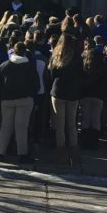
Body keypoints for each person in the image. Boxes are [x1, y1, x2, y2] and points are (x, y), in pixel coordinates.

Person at [0, 41, 39, 163]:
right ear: (25, 52)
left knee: (6, 126)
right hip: (25, 99)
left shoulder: (4, 65)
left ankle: (0, 152)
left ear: (13, 51)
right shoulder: (30, 66)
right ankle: (22, 154)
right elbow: (36, 84)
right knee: (21, 127)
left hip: (7, 99)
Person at [48, 33, 82, 163]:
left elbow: (52, 74)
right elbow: (81, 73)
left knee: (60, 125)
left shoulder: (56, 55)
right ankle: (74, 153)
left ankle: (61, 153)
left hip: (58, 91)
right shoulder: (77, 56)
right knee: (72, 125)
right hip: (73, 92)